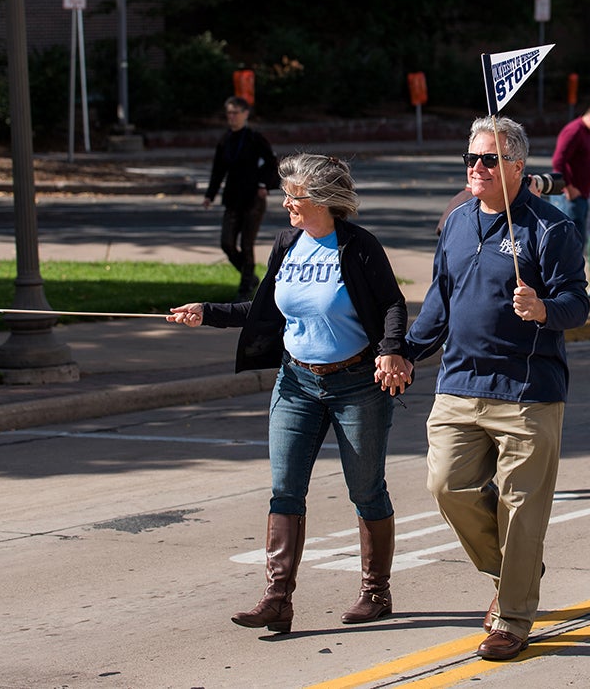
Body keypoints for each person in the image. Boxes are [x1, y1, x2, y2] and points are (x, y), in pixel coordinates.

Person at [169, 153, 413, 633]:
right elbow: (264, 310)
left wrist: (390, 350)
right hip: (296, 382)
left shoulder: (358, 247)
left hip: (356, 384)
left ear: (322, 200)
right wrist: (208, 311)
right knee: (285, 489)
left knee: (365, 489)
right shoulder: (287, 244)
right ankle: (277, 600)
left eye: (294, 196)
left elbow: (392, 304)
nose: (286, 205)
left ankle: (375, 592)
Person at [394, 117, 590, 660]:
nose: (475, 168)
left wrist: (544, 309)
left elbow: (578, 303)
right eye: (471, 159)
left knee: (521, 509)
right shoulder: (456, 222)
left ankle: (512, 617)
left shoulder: (551, 230)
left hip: (528, 391)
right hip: (458, 385)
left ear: (518, 168)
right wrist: (407, 352)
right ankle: (514, 571)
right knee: (446, 486)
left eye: (488, 160)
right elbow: (440, 302)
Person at [203, 96, 280, 302]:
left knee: (247, 244)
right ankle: (250, 276)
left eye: (236, 112)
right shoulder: (225, 140)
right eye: (229, 113)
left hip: (253, 198)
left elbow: (272, 163)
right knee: (227, 242)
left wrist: (264, 185)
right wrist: (210, 194)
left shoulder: (255, 138)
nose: (232, 117)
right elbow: (218, 170)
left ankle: (245, 288)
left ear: (246, 114)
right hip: (232, 198)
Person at [550, 101, 590, 262]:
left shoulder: (584, 133)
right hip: (569, 197)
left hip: (580, 196)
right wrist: (569, 188)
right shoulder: (574, 131)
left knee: (577, 244)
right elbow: (558, 161)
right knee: (568, 244)